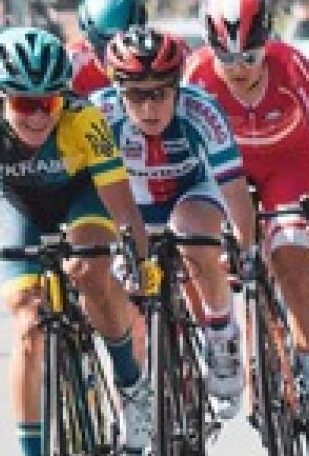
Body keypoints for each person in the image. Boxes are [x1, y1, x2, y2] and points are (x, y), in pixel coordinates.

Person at [0, 27, 153, 456]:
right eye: (24, 103)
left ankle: (130, 383)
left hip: (80, 196)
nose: (38, 114)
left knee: (90, 267)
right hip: (17, 202)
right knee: (26, 324)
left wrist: (139, 259)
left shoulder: (85, 120)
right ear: (0, 96)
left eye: (49, 102)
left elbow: (122, 205)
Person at [186, 0, 309, 456]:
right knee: (204, 252)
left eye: (250, 56)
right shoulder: (196, 76)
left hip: (288, 165)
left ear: (268, 43)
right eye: (227, 57)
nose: (239, 69)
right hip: (224, 173)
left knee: (296, 267)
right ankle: (228, 340)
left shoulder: (294, 66)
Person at [93, 25, 257, 416]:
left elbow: (234, 190)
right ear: (119, 91)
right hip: (129, 206)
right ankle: (133, 433)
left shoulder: (201, 110)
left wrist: (244, 250)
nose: (149, 109)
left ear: (177, 89)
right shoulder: (99, 114)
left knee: (193, 235)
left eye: (160, 95)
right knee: (127, 313)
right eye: (136, 95)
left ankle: (220, 334)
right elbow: (83, 193)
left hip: (192, 193)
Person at [70, 0, 147, 97]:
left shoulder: (161, 53)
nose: (112, 61)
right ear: (87, 41)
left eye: (121, 51)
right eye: (102, 51)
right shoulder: (71, 63)